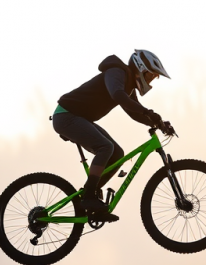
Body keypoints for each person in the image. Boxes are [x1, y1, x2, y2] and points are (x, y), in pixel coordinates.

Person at [51, 50, 174, 222]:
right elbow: (118, 95)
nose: (150, 81)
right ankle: (88, 197)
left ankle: (90, 195)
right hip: (66, 116)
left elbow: (134, 112)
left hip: (77, 118)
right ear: (140, 68)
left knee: (117, 154)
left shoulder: (128, 84)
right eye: (150, 76)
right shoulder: (117, 72)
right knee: (105, 147)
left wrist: (158, 123)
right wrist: (148, 112)